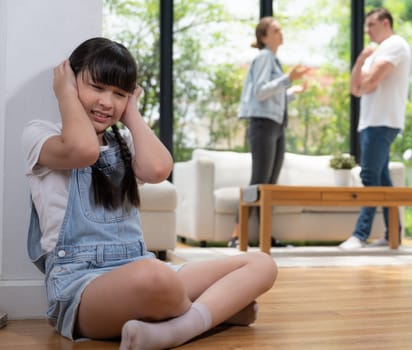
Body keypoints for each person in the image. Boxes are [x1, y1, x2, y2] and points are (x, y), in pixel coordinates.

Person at [22, 37, 278, 349]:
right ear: (71, 82)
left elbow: (159, 169)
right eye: (97, 88)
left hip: (143, 270)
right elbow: (84, 150)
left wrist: (132, 113)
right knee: (157, 278)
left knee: (262, 264)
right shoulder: (42, 135)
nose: (107, 102)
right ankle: (214, 311)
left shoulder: (125, 144)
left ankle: (176, 328)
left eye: (119, 94)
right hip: (80, 287)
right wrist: (64, 93)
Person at [228, 16, 309, 248]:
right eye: (275, 30)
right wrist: (288, 79)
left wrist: (294, 91)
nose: (280, 32)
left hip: (275, 124)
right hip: (263, 124)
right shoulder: (264, 57)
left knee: (270, 186)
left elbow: (274, 96)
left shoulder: (273, 59)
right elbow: (260, 92)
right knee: (259, 181)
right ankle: (237, 235)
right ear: (264, 37)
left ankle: (265, 235)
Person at [339, 8, 410, 250]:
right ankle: (393, 236)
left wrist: (365, 78)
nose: (367, 30)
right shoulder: (374, 53)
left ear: (386, 23)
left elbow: (367, 85)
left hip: (382, 121)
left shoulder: (395, 44)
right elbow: (355, 89)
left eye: (371, 24)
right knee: (381, 180)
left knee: (369, 177)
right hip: (371, 122)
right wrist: (360, 61)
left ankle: (360, 235)